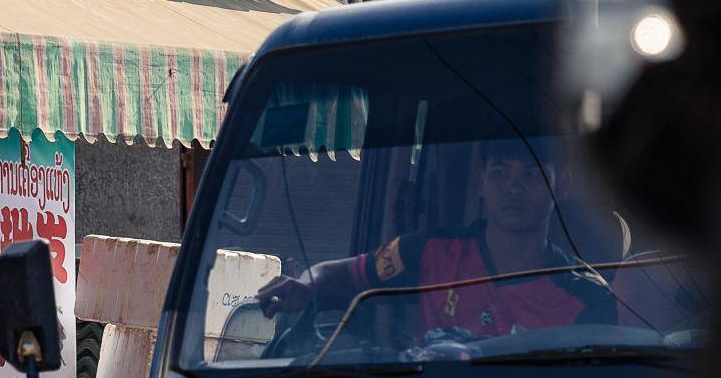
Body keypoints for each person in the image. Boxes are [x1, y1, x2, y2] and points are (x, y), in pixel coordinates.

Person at [257, 146, 616, 342]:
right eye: (500, 174)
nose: (514, 188)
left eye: (531, 175)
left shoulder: (587, 297)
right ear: (480, 182)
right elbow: (345, 273)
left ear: (561, 185)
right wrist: (306, 285)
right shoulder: (429, 252)